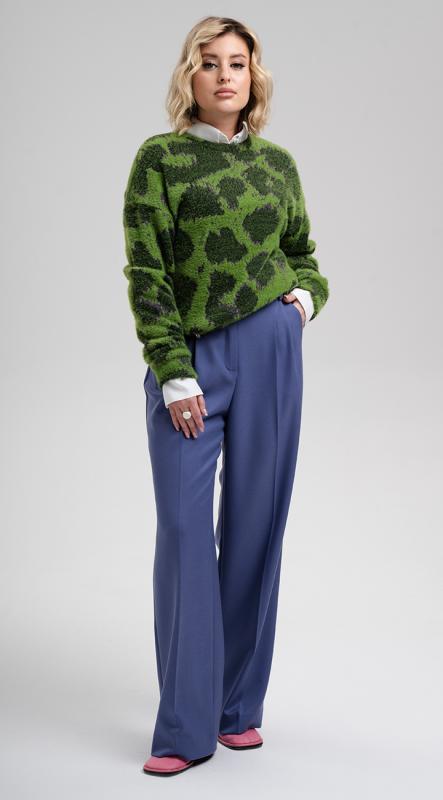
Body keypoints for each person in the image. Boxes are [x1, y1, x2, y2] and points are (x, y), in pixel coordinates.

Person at [122, 15, 329, 777]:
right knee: (184, 535)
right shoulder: (160, 159)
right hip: (192, 358)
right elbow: (146, 271)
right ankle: (184, 727)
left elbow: (303, 255)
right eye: (208, 63)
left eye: (236, 63)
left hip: (270, 349)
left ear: (253, 75)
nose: (223, 76)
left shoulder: (277, 165)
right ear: (190, 76)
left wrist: (300, 304)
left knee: (255, 526)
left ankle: (237, 708)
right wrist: (174, 371)